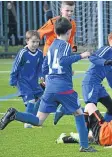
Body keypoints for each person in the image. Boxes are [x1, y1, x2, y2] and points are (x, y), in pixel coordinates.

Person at [0, 17, 96, 152]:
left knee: (38, 120)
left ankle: (15, 114)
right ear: (69, 32)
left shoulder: (51, 47)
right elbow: (62, 61)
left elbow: (45, 66)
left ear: (55, 32)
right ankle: (85, 146)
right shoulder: (66, 45)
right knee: (79, 114)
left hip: (50, 87)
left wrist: (47, 77)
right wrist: (82, 55)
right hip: (63, 87)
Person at [54, 31, 112, 125]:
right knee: (91, 110)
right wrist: (104, 62)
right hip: (90, 83)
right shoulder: (107, 49)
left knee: (111, 107)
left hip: (98, 86)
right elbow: (92, 58)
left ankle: (105, 129)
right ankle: (67, 110)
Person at [9, 30, 44, 128]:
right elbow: (15, 66)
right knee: (31, 100)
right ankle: (27, 123)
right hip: (23, 81)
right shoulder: (23, 53)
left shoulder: (39, 53)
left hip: (33, 82)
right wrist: (13, 81)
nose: (35, 44)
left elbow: (40, 67)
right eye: (33, 42)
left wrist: (42, 76)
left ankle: (32, 117)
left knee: (43, 98)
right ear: (27, 41)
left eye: (37, 42)